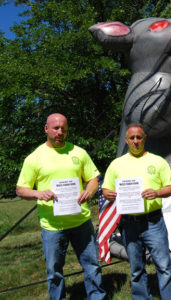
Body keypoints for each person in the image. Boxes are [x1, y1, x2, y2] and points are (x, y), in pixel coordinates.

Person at [16, 113, 106, 300]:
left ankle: (97, 297)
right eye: (56, 128)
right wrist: (38, 193)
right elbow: (21, 189)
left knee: (92, 265)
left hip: (81, 221)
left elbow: (93, 179)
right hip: (52, 226)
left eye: (63, 129)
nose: (60, 132)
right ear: (46, 129)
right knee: (54, 271)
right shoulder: (34, 158)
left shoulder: (78, 153)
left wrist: (89, 190)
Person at [102, 123, 171, 300]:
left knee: (164, 266)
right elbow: (106, 190)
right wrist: (110, 195)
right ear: (126, 140)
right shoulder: (116, 164)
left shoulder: (158, 161)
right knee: (136, 269)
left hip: (153, 222)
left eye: (139, 137)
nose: (135, 141)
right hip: (128, 223)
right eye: (132, 138)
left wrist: (157, 192)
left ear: (144, 138)